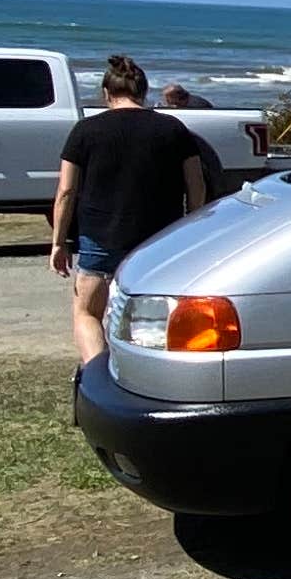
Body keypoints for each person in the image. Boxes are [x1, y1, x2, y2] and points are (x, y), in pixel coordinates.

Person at [52, 54, 213, 362]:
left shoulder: (85, 130)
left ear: (106, 94)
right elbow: (197, 187)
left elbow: (66, 191)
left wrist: (59, 243)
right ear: (144, 92)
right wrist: (192, 233)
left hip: (100, 237)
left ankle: (96, 373)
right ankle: (143, 373)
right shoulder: (173, 129)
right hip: (157, 241)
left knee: (87, 313)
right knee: (150, 319)